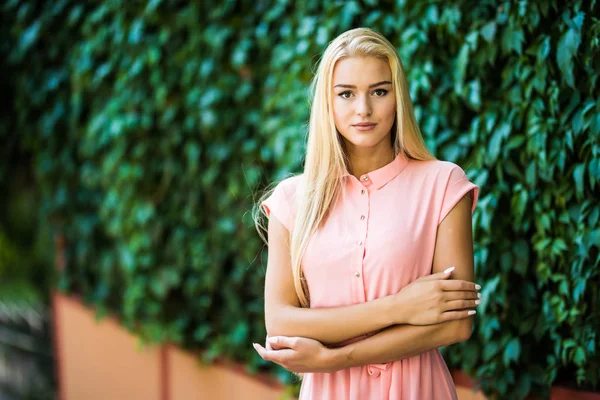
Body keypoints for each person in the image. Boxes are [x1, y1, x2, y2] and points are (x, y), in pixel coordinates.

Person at [252, 27, 481, 400]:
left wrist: (335, 358)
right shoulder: (293, 200)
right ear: (328, 102)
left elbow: (454, 326)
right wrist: (400, 307)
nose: (364, 109)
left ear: (398, 97)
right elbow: (279, 321)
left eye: (379, 91)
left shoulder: (443, 183)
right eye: (346, 94)